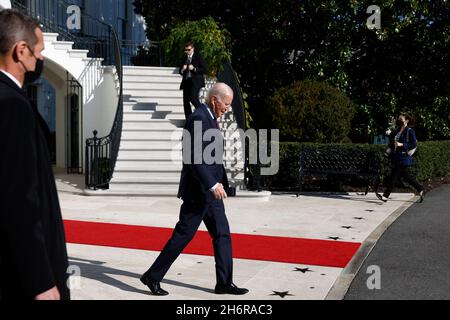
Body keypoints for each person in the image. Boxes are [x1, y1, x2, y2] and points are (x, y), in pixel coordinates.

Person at [141, 83, 249, 296]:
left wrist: (218, 183)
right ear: (214, 99)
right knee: (183, 236)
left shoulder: (210, 117)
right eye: (225, 104)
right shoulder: (198, 118)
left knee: (223, 235)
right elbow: (193, 158)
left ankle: (224, 283)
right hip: (199, 193)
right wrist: (211, 184)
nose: (227, 108)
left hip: (211, 193)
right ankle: (152, 276)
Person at [0, 9, 70, 300]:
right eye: (39, 51)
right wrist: (41, 281)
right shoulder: (12, 106)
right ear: (21, 50)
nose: (40, 59)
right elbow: (19, 201)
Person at [377, 112, 424, 203]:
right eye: (399, 119)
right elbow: (393, 142)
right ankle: (420, 188)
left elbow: (413, 144)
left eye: (401, 119)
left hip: (403, 157)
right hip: (396, 157)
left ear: (406, 120)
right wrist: (389, 138)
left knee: (393, 176)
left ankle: (386, 195)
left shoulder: (410, 131)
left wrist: (402, 144)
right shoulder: (397, 130)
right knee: (406, 176)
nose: (399, 120)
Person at [179, 41, 207, 119]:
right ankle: (189, 119)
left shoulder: (198, 57)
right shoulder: (184, 58)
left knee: (193, 99)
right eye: (186, 50)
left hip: (195, 82)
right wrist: (182, 70)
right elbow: (180, 71)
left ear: (193, 49)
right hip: (186, 81)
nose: (187, 52)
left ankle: (203, 114)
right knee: (186, 102)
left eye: (189, 50)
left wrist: (194, 69)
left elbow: (205, 69)